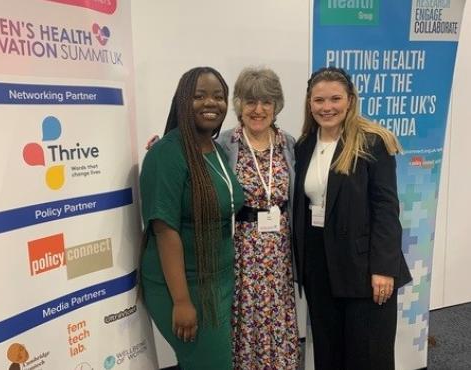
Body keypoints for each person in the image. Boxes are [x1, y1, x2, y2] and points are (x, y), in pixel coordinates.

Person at [292, 66, 412, 370]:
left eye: (335, 98)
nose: (327, 107)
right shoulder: (304, 145)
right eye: (319, 100)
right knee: (329, 352)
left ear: (350, 100)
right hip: (320, 264)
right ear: (309, 103)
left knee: (368, 356)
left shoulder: (372, 142)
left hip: (364, 267)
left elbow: (387, 210)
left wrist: (384, 269)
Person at [139, 66, 244, 370]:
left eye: (218, 96)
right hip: (184, 285)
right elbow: (164, 229)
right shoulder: (166, 154)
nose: (211, 103)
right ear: (183, 101)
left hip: (218, 280)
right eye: (199, 96)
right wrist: (182, 301)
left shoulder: (215, 149)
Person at [217, 67, 300, 369]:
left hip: (278, 247)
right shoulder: (225, 143)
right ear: (239, 104)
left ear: (276, 105)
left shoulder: (288, 144)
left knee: (277, 312)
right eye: (250, 101)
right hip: (242, 246)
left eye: (266, 102)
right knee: (245, 315)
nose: (258, 109)